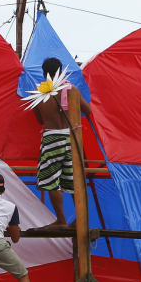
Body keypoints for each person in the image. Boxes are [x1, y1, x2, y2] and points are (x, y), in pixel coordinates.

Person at [30, 57, 92, 227]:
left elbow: (40, 121)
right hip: (70, 138)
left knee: (51, 182)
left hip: (51, 138)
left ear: (44, 74)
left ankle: (61, 220)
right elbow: (88, 110)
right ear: (61, 72)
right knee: (73, 180)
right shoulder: (71, 89)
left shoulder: (38, 93)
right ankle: (80, 220)